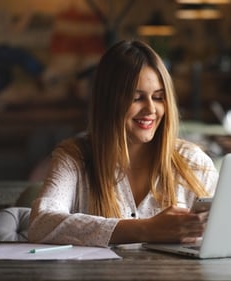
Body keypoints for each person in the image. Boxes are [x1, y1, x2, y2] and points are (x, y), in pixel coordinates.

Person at [28, 40, 219, 247]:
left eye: (158, 98)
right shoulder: (75, 157)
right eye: (137, 98)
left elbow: (228, 232)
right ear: (109, 102)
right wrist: (146, 229)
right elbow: (41, 224)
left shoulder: (193, 162)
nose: (151, 109)